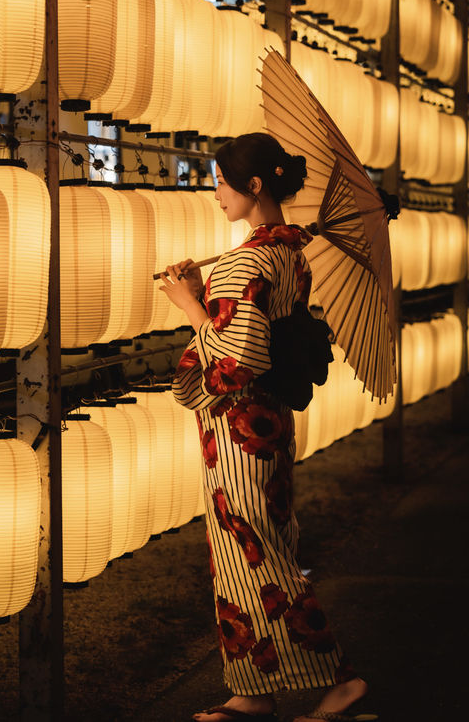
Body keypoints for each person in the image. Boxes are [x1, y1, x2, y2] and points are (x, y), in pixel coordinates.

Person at [158, 133, 371, 722]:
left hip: (240, 426)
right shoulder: (285, 253)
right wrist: (207, 296)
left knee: (258, 556)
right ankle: (250, 690)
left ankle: (340, 679)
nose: (215, 193)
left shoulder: (248, 259)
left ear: (254, 187)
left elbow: (238, 359)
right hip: (264, 422)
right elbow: (251, 333)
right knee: (242, 553)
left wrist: (191, 306)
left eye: (222, 181)